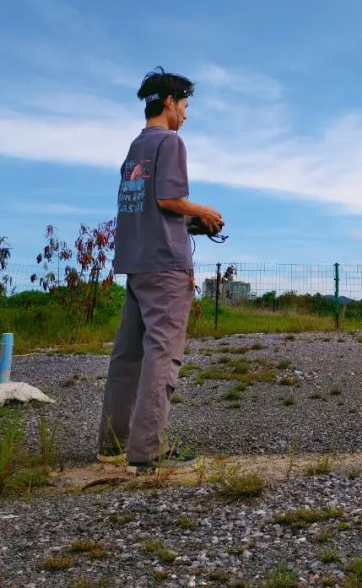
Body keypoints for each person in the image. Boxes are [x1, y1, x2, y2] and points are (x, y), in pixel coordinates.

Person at [98, 67, 224, 471]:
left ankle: (113, 445)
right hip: (166, 266)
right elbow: (168, 198)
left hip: (136, 264)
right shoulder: (170, 142)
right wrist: (203, 211)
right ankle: (147, 452)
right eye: (184, 106)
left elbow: (147, 206)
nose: (185, 115)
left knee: (128, 357)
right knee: (163, 356)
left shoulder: (135, 149)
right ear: (169, 102)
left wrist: (188, 222)